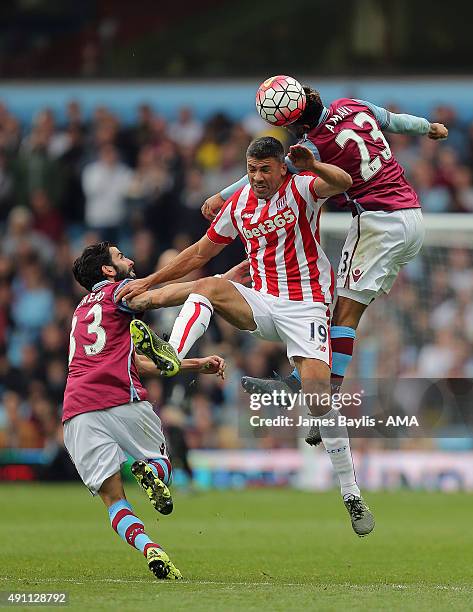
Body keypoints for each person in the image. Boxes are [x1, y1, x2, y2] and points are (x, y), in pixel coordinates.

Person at [117, 136, 376, 536]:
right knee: (208, 285)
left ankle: (351, 491)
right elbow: (199, 254)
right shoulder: (238, 207)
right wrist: (149, 280)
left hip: (306, 306)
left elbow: (342, 182)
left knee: (319, 397)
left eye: (264, 170)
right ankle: (171, 354)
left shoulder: (302, 187)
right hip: (261, 302)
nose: (257, 177)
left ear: (280, 167)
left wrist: (313, 164)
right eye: (251, 170)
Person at [201, 82, 448, 447]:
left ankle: (323, 403)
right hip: (412, 217)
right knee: (347, 312)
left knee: (342, 315)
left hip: (378, 221)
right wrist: (429, 127)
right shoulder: (353, 105)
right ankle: (295, 386)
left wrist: (220, 196)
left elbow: (265, 176)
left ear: (294, 124)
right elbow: (395, 120)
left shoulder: (308, 148)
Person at [63, 241, 227, 580]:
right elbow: (158, 297)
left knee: (113, 500)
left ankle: (149, 547)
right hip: (120, 397)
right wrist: (214, 286)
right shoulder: (121, 291)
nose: (131, 260)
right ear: (108, 270)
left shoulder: (80, 310)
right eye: (121, 257)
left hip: (77, 408)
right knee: (163, 464)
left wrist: (194, 365)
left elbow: (134, 362)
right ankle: (151, 469)